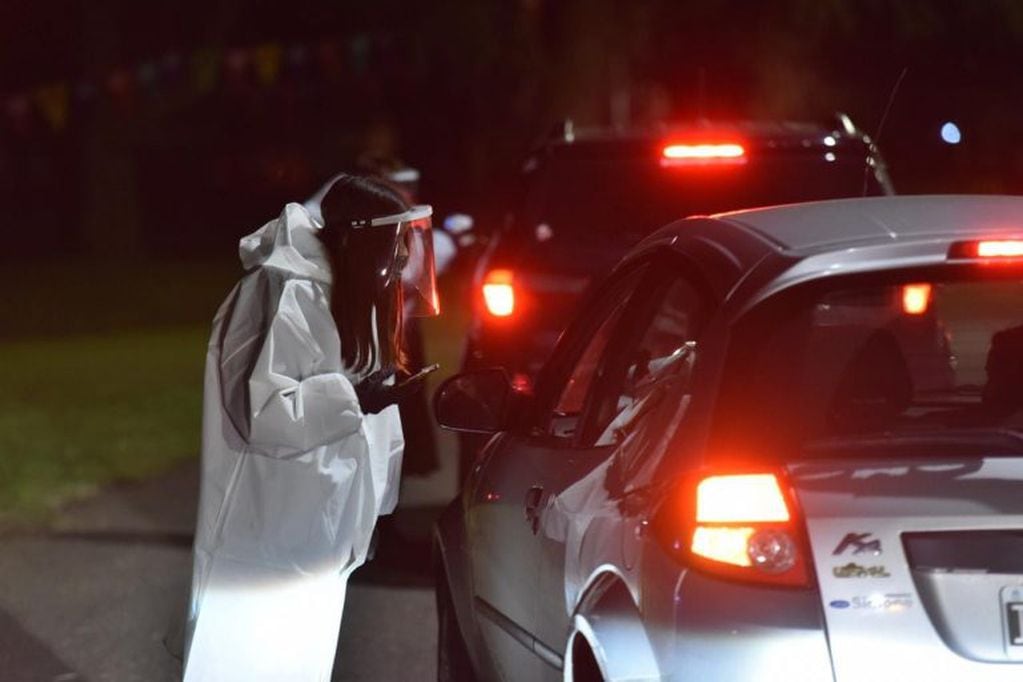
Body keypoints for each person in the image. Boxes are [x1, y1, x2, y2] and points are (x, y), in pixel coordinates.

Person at [182, 174, 438, 681]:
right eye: (392, 248)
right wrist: (354, 398)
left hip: (319, 527)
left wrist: (373, 509)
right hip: (268, 527)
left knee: (299, 660)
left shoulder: (345, 294)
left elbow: (361, 419)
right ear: (356, 241)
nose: (400, 263)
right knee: (247, 661)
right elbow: (264, 412)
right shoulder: (287, 293)